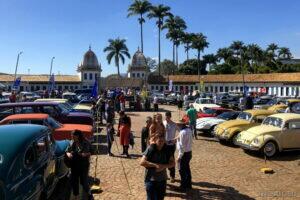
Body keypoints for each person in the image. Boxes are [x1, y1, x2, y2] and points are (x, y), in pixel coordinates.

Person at [140, 133, 175, 200]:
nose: (161, 143)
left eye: (162, 141)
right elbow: (142, 162)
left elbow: (173, 163)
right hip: (150, 179)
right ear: (155, 141)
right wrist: (155, 165)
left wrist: (163, 166)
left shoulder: (167, 150)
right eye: (159, 141)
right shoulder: (150, 149)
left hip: (162, 179)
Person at [66, 130, 93, 199]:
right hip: (74, 165)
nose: (72, 138)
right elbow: (67, 151)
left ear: (78, 136)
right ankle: (76, 195)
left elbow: (91, 152)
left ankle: (89, 193)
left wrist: (84, 154)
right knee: (74, 180)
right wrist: (68, 154)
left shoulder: (85, 142)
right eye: (72, 136)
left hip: (83, 164)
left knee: (83, 181)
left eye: (74, 137)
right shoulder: (72, 142)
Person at [176, 120, 193, 192]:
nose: (177, 126)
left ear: (181, 125)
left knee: (182, 170)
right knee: (187, 169)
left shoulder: (183, 132)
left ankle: (183, 186)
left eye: (178, 125)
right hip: (189, 152)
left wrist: (179, 157)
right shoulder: (189, 130)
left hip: (184, 154)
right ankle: (189, 184)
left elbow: (182, 147)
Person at [163, 111, 177, 183]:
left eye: (168, 116)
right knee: (163, 159)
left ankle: (172, 176)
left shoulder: (174, 124)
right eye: (166, 116)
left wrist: (176, 139)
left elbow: (181, 132)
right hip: (164, 145)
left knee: (171, 159)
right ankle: (164, 175)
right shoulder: (163, 123)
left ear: (170, 117)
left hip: (171, 145)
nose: (166, 118)